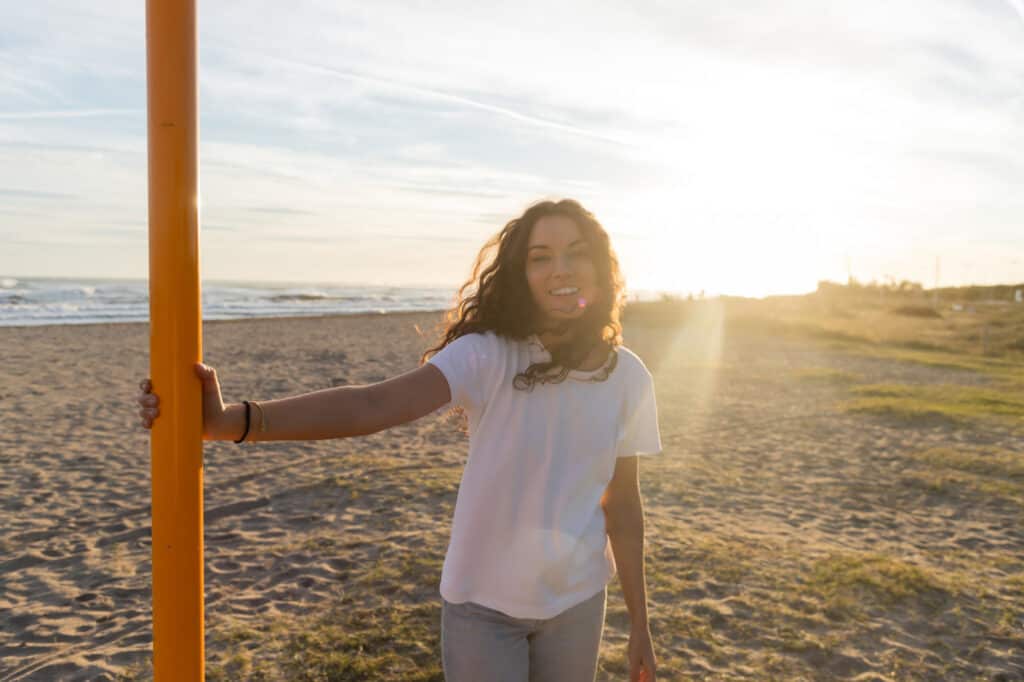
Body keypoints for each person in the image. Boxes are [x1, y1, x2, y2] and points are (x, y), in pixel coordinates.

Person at [136, 198, 662, 682]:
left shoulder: (628, 377)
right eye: (540, 257)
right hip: (483, 608)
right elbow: (372, 406)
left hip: (577, 603)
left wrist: (640, 623)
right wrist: (234, 421)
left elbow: (623, 506)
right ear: (521, 275)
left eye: (575, 254)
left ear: (600, 266)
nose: (561, 270)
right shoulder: (488, 355)